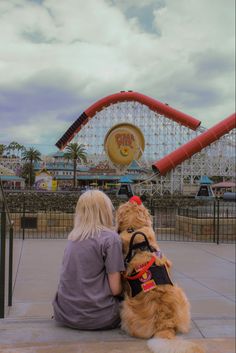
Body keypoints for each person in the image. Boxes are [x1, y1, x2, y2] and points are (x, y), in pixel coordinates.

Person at [52, 189, 125, 330]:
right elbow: (115, 289)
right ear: (105, 211)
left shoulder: (73, 237)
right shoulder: (110, 239)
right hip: (99, 316)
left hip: (65, 314)